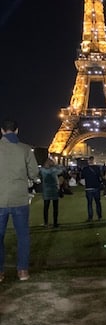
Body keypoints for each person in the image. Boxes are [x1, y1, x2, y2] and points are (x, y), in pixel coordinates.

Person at [0, 119, 39, 282]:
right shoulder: (25, 149)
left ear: (2, 131)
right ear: (17, 131)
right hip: (20, 199)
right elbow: (34, 173)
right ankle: (22, 270)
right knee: (23, 236)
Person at [39, 158, 64, 228]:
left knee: (46, 208)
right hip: (54, 190)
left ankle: (46, 222)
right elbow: (61, 170)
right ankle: (55, 223)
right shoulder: (54, 170)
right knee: (55, 208)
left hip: (46, 190)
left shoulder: (42, 170)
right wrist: (56, 165)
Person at [81, 156, 103, 221]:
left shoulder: (85, 169)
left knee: (89, 203)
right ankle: (99, 216)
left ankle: (90, 217)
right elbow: (100, 177)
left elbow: (82, 179)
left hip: (88, 188)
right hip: (96, 187)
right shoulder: (97, 168)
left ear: (88, 161)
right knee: (98, 203)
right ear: (93, 161)